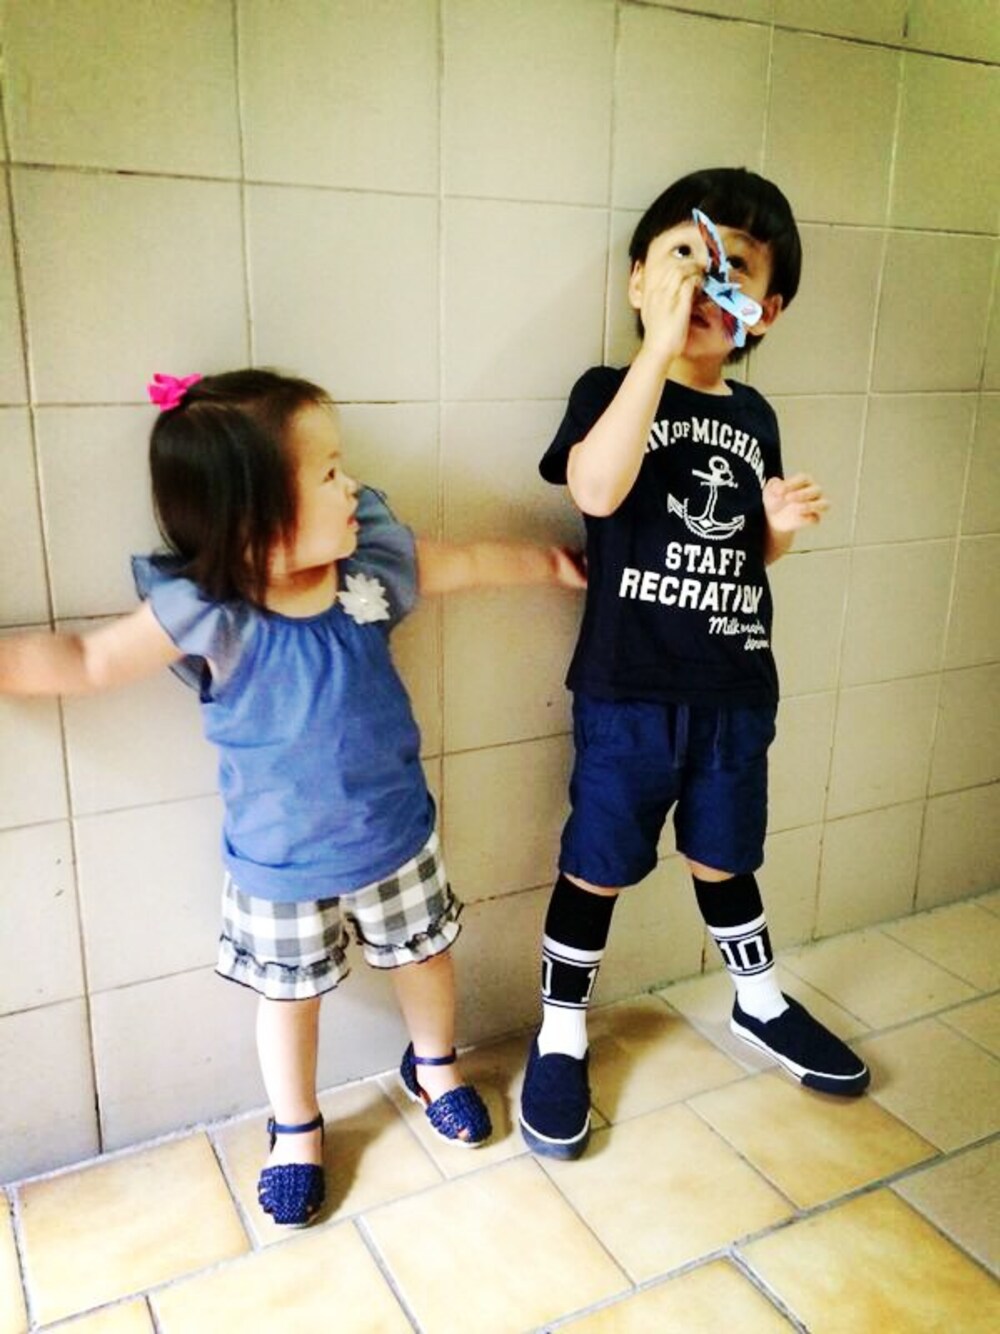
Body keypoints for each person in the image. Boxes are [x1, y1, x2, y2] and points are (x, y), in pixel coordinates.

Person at [0, 368, 585, 1224]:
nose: (354, 487)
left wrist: (555, 563)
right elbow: (88, 661)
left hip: (394, 834)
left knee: (425, 959)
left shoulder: (369, 571)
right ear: (255, 514)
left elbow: (465, 562)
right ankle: (297, 1126)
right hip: (278, 862)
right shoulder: (211, 613)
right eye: (330, 473)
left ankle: (434, 1066)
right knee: (289, 998)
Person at [519, 167, 869, 1162]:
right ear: (639, 279)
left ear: (766, 309)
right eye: (684, 256)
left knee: (727, 855)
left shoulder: (754, 416)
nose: (705, 282)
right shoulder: (606, 392)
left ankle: (759, 1001)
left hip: (733, 688)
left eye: (733, 270)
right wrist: (656, 354)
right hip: (629, 690)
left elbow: (747, 552)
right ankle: (560, 1032)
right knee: (596, 864)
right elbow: (596, 489)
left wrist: (779, 526)